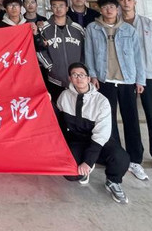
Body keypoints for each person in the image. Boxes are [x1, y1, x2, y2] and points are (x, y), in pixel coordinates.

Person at [84, 0, 148, 181]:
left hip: (127, 80)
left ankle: (135, 160)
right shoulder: (92, 28)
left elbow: (138, 56)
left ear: (117, 9)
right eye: (105, 7)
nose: (109, 10)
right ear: (100, 10)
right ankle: (118, 157)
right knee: (108, 121)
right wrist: (93, 75)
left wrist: (140, 80)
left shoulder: (128, 29)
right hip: (104, 81)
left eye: (112, 7)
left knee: (131, 120)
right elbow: (89, 53)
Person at [56, 62, 131, 204]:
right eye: (74, 75)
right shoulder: (64, 96)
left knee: (121, 158)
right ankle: (85, 168)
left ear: (88, 78)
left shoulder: (101, 101)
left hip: (99, 141)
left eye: (82, 75)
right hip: (77, 140)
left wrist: (88, 162)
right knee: (70, 174)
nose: (79, 78)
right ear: (70, 78)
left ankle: (113, 181)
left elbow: (101, 134)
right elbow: (57, 120)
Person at [116, 0, 152, 172]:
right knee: (130, 117)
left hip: (147, 75)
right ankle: (134, 154)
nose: (126, 3)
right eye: (122, 0)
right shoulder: (116, 24)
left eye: (129, 0)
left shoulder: (147, 24)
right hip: (127, 77)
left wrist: (149, 66)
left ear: (135, 2)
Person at [36, 0, 85, 103]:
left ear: (67, 8)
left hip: (77, 78)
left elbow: (86, 50)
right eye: (55, 6)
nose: (58, 9)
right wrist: (49, 66)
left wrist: (82, 66)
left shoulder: (77, 28)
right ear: (51, 8)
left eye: (61, 6)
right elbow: (38, 49)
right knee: (57, 107)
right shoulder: (43, 28)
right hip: (54, 78)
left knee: (78, 107)